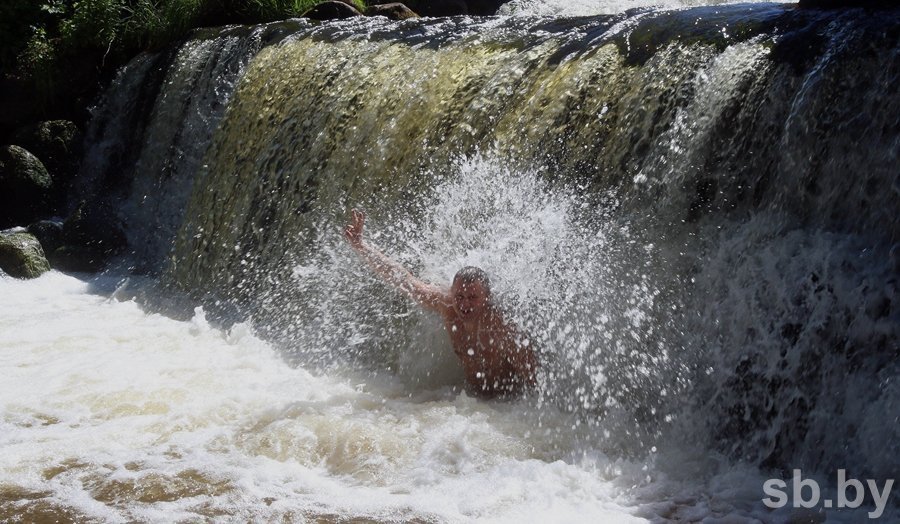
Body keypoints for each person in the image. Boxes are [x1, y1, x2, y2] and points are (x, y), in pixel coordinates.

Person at [343, 208, 537, 398]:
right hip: (472, 403)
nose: (465, 305)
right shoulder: (446, 305)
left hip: (507, 404)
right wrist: (361, 246)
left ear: (487, 297)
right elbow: (404, 280)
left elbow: (534, 379)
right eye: (459, 297)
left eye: (472, 298)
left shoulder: (502, 328)